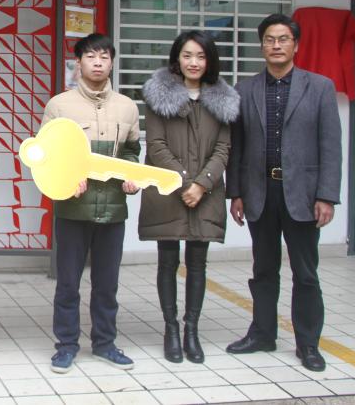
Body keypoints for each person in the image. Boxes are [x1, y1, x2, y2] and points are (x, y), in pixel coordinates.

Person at [226, 14, 341, 372]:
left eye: (283, 39)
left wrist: (326, 195)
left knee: (306, 273)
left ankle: (308, 344)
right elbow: (237, 146)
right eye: (270, 40)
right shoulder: (245, 90)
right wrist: (236, 192)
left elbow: (330, 146)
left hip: (303, 195)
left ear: (295, 45)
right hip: (260, 192)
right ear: (262, 46)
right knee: (263, 269)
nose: (276, 45)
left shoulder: (319, 87)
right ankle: (263, 334)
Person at [138, 30, 239, 364]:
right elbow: (155, 146)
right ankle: (170, 329)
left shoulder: (224, 100)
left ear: (209, 60)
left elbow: (223, 148)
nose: (193, 62)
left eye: (200, 56)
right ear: (177, 59)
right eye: (187, 55)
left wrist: (202, 184)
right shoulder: (158, 96)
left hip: (205, 194)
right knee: (167, 262)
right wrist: (185, 183)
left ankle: (191, 331)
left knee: (197, 264)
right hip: (168, 191)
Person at [44, 33, 141, 374]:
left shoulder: (127, 107)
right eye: (90, 56)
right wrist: (66, 178)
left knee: (106, 284)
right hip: (73, 209)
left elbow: (131, 152)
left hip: (113, 208)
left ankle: (105, 344)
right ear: (78, 62)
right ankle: (66, 346)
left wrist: (132, 176)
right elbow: (47, 155)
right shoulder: (59, 105)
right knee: (68, 283)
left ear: (112, 62)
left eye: (104, 57)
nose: (97, 62)